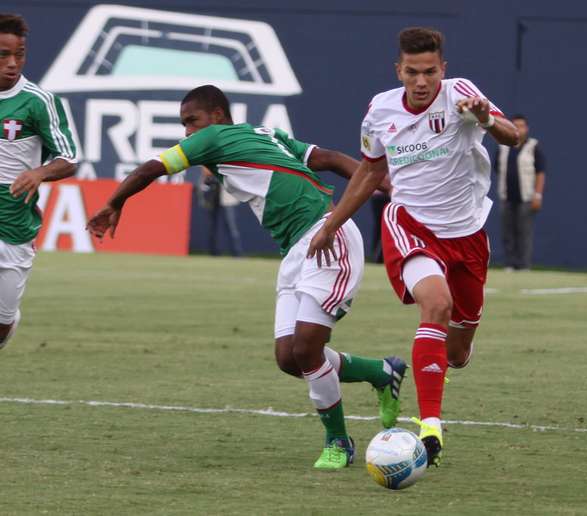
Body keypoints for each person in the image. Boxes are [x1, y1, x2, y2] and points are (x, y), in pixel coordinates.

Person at [87, 85, 406, 470]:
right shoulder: (265, 134)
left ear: (218, 116)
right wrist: (384, 184)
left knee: (306, 350)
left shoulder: (213, 137)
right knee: (289, 358)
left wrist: (114, 202)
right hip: (294, 251)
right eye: (185, 125)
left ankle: (338, 441)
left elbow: (149, 169)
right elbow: (332, 158)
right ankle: (381, 371)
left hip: (326, 235)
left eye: (193, 121)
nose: (189, 132)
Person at [307, 27, 518, 466]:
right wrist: (333, 223)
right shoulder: (380, 110)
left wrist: (483, 117)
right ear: (398, 70)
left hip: (467, 235)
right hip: (411, 225)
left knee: (456, 353)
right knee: (435, 305)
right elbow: (369, 171)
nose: (421, 82)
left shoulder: (462, 94)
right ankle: (430, 427)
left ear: (442, 68)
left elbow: (511, 136)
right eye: (411, 73)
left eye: (429, 73)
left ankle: (442, 360)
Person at [0, 13, 78, 351]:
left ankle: (8, 323)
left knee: (2, 321)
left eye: (19, 54)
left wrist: (39, 173)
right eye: (3, 54)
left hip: (14, 221)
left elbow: (69, 158)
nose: (12, 63)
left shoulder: (38, 101)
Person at [495, 114, 546, 270]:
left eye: (521, 125)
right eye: (514, 125)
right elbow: (497, 168)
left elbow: (540, 172)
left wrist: (537, 194)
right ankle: (510, 263)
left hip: (526, 197)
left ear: (527, 128)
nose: (518, 128)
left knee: (524, 232)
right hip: (507, 197)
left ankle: (524, 265)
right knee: (507, 233)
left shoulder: (533, 146)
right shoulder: (503, 146)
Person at [198, 166, 243, 257]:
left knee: (231, 226)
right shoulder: (209, 159)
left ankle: (237, 253)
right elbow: (206, 173)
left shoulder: (228, 159)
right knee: (212, 227)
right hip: (212, 196)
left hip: (227, 196)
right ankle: (214, 252)